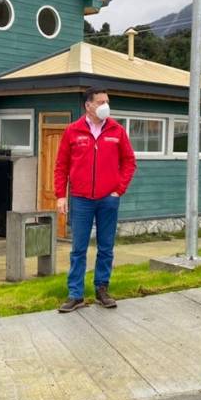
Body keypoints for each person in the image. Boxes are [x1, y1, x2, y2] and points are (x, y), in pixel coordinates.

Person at [54, 86, 137, 312]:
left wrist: (118, 190)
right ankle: (75, 294)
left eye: (107, 101)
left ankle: (102, 289)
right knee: (78, 249)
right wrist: (61, 195)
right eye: (101, 102)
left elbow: (129, 162)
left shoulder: (117, 130)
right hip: (81, 199)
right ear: (88, 105)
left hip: (108, 199)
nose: (105, 106)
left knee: (106, 247)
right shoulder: (73, 131)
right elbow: (61, 166)